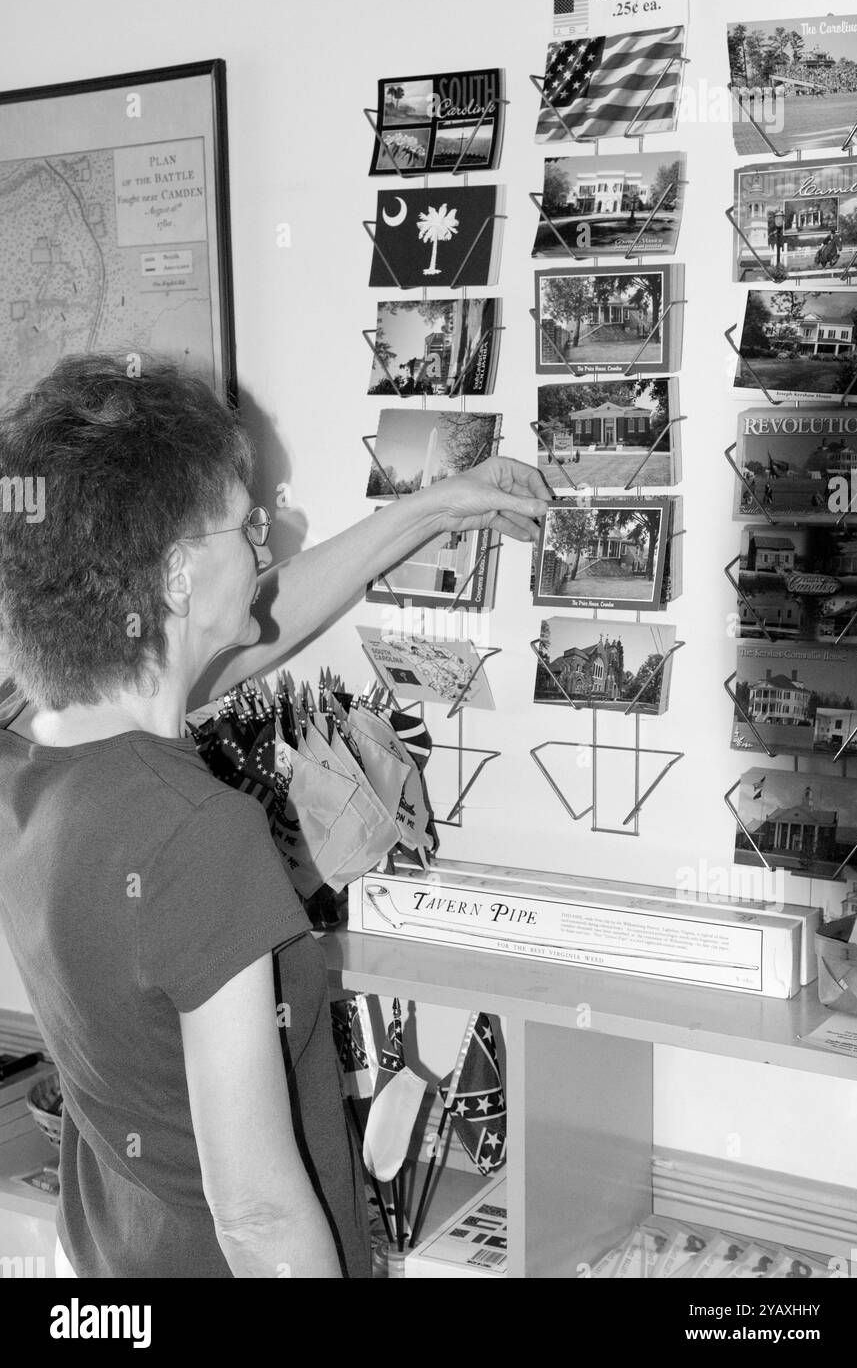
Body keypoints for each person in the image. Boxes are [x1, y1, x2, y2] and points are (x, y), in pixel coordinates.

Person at [0, 354, 548, 1278]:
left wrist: (430, 510)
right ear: (176, 575)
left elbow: (245, 635)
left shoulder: (35, 757)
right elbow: (257, 1218)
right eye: (246, 525)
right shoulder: (194, 832)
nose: (264, 545)